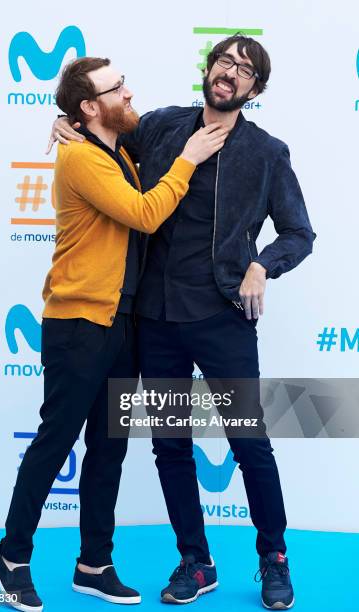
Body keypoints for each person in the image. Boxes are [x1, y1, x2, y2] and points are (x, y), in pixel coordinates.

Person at [50, 34, 315, 610]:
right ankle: (195, 560)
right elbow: (101, 131)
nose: (230, 72)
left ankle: (274, 557)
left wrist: (261, 266)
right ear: (210, 69)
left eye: (244, 69)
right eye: (224, 61)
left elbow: (300, 233)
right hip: (156, 317)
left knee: (250, 444)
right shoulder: (163, 126)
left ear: (254, 88)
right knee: (171, 445)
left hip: (223, 318)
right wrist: (64, 126)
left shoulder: (268, 153)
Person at [0, 57, 227, 612]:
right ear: (89, 107)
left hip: (121, 323)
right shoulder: (81, 159)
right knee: (56, 441)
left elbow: (153, 132)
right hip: (77, 324)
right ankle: (11, 555)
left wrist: (66, 118)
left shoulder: (118, 148)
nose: (128, 92)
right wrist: (188, 160)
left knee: (109, 449)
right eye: (115, 88)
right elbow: (144, 214)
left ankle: (94, 563)